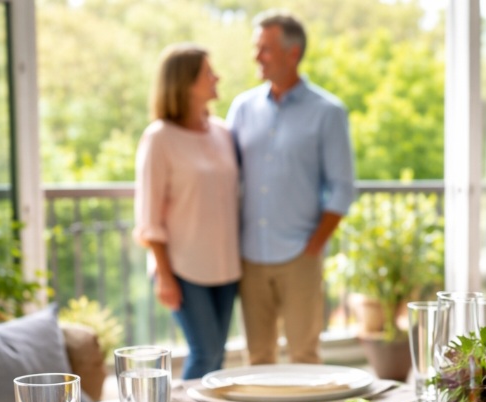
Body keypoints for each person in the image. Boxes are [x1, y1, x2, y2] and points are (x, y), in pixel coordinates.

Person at [226, 10, 356, 365]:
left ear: (292, 53)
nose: (257, 57)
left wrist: (313, 246)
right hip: (249, 257)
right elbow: (225, 177)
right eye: (256, 48)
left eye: (265, 49)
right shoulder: (241, 108)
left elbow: (342, 188)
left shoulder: (328, 112)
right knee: (257, 359)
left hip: (300, 255)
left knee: (304, 357)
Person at [134, 43, 241, 379]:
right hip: (183, 267)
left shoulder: (222, 132)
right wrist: (164, 275)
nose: (216, 77)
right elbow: (149, 216)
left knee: (217, 358)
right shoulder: (160, 137)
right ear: (185, 82)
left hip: (225, 267)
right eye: (208, 72)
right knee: (204, 352)